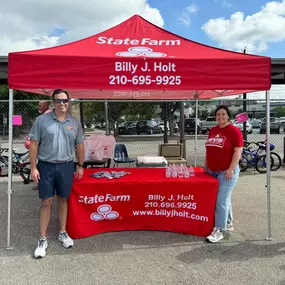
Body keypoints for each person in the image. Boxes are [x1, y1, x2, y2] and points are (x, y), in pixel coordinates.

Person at [29, 89, 85, 258]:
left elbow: (80, 145)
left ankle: (62, 232)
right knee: (46, 201)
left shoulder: (74, 123)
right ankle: (43, 238)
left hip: (66, 166)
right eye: (59, 101)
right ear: (53, 102)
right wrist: (33, 167)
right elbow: (34, 144)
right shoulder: (42, 121)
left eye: (65, 100)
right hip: (46, 166)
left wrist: (80, 165)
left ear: (69, 102)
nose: (62, 104)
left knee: (63, 199)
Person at [204, 105, 243, 243]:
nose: (220, 117)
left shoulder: (234, 131)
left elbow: (238, 151)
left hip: (226, 171)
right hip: (212, 171)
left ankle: (219, 230)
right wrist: (206, 166)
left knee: (221, 199)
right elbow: (209, 149)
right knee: (223, 198)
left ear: (228, 116)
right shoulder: (213, 130)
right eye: (218, 114)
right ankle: (228, 222)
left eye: (223, 114)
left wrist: (231, 169)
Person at [32, 100, 51, 190]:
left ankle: (40, 183)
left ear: (46, 105)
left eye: (40, 105)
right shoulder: (43, 117)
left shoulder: (45, 116)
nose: (38, 107)